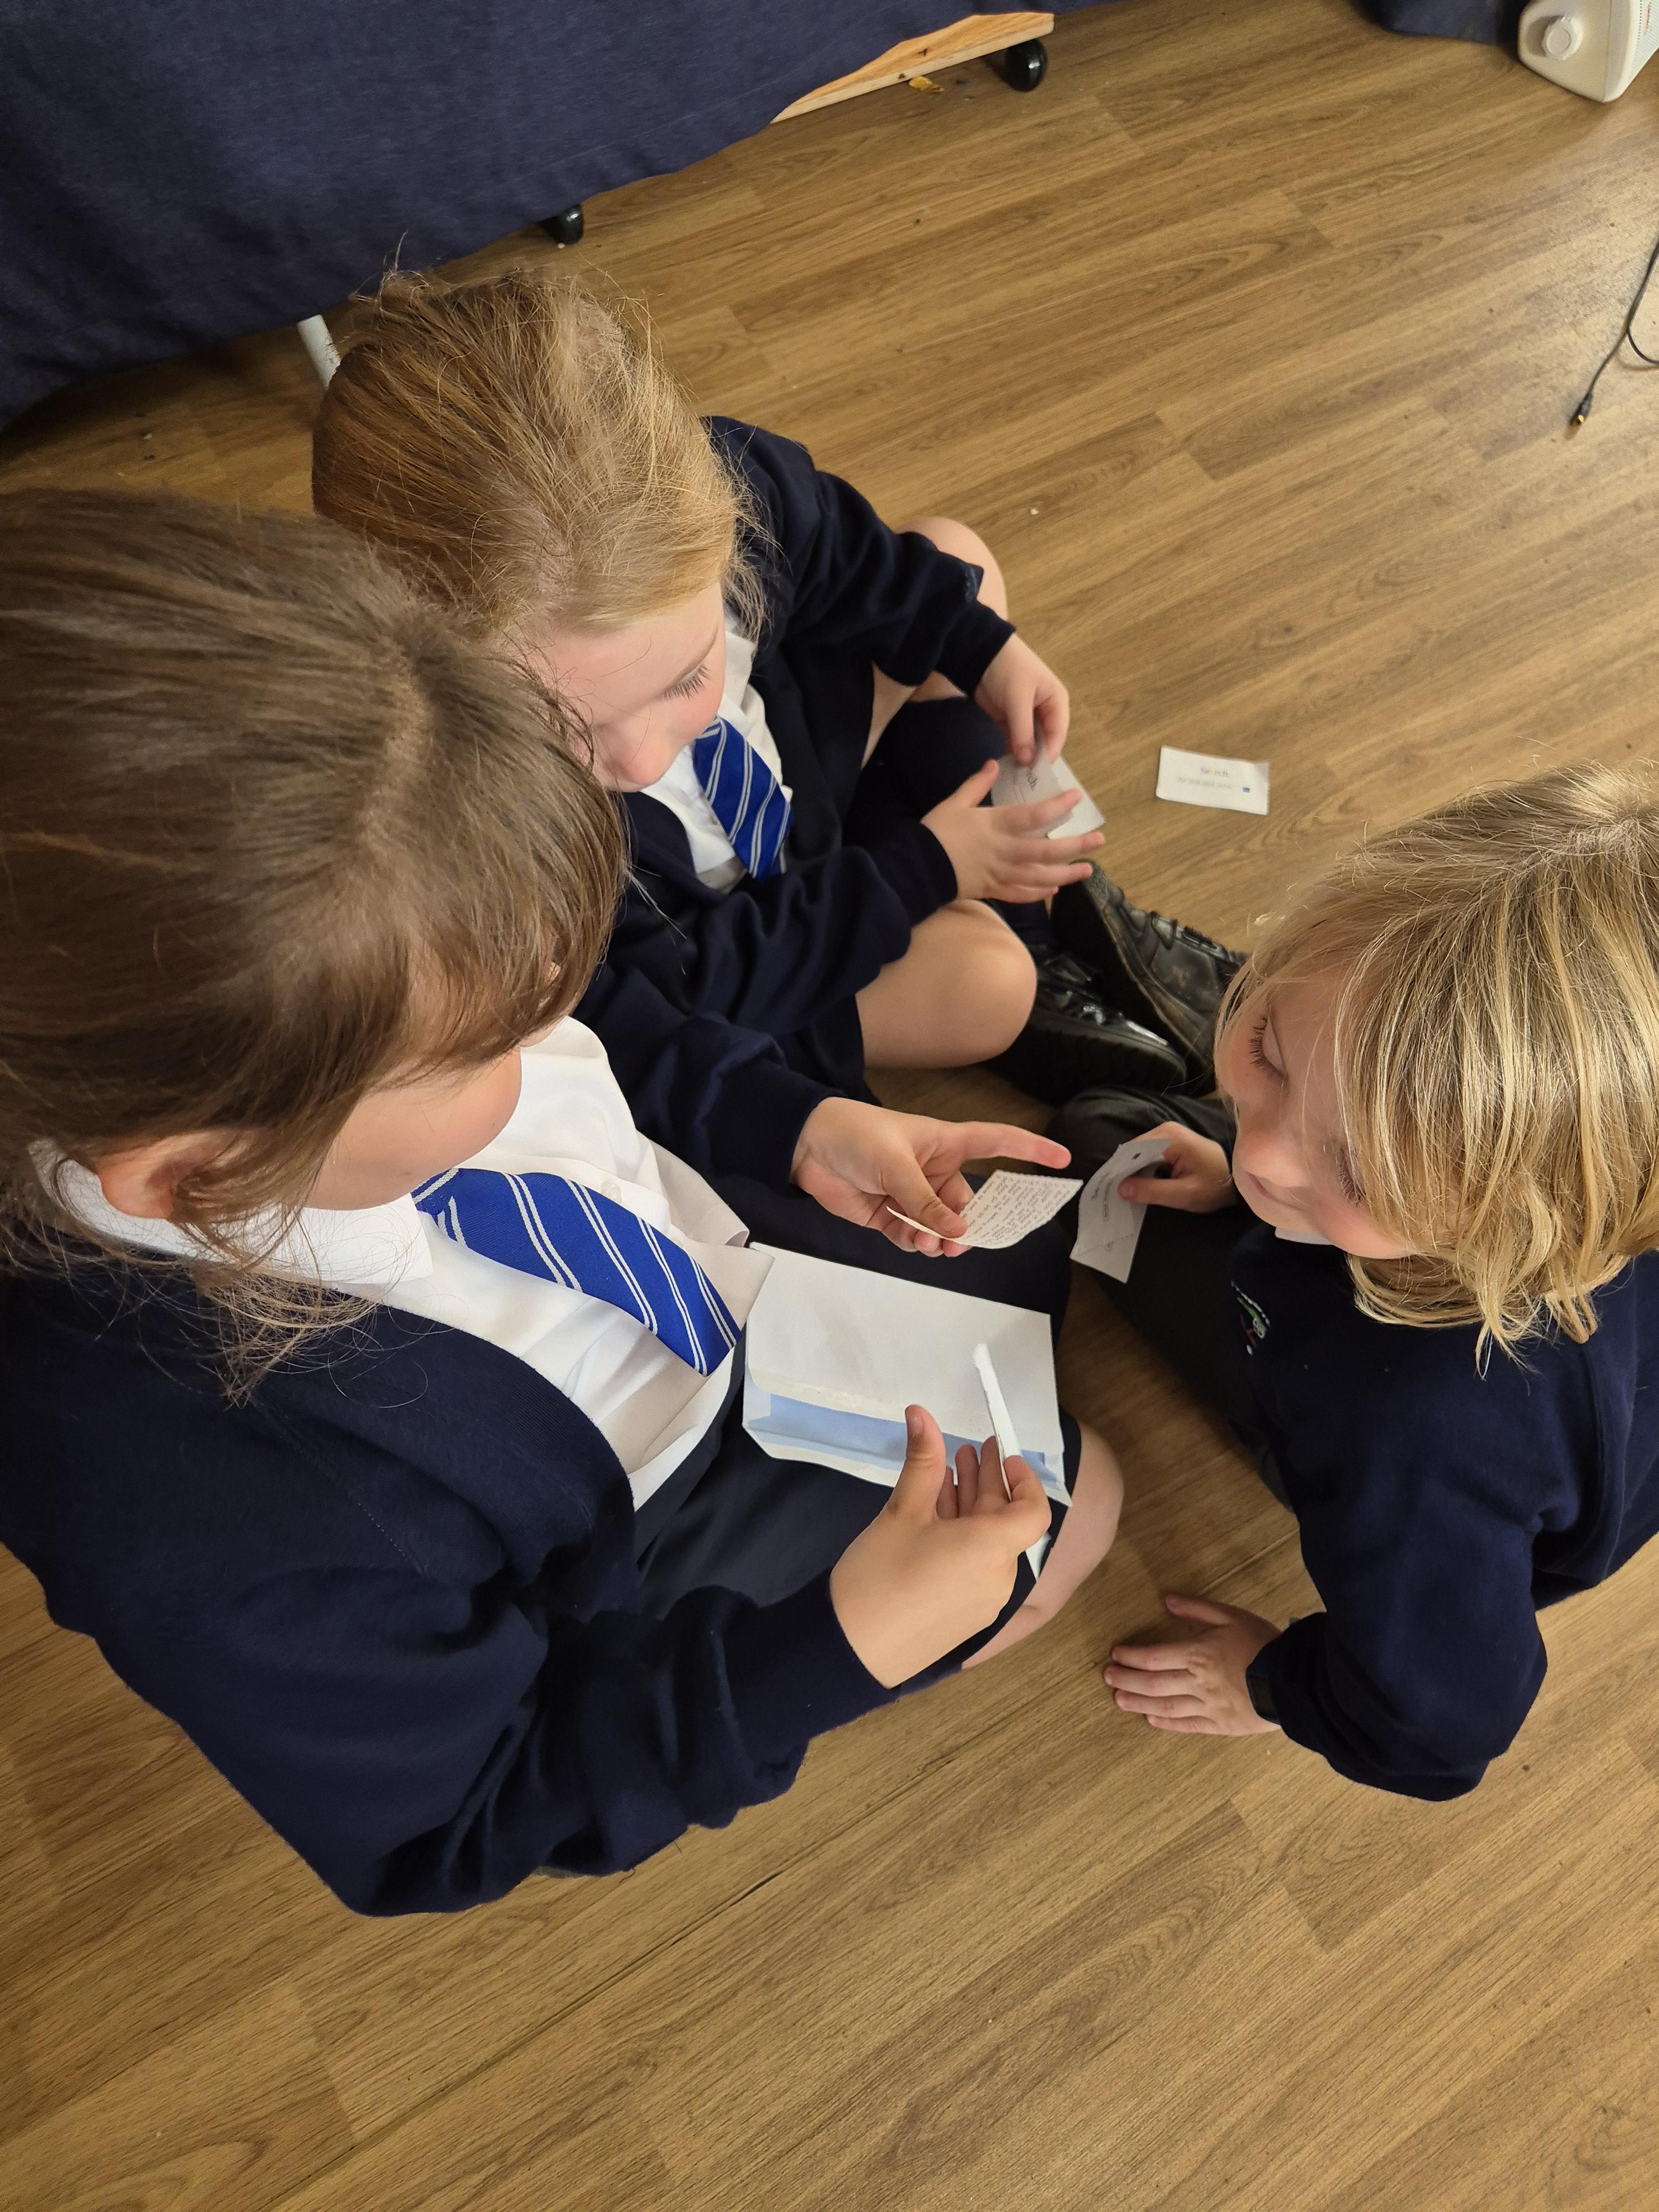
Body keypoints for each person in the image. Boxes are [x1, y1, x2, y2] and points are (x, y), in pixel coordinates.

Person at [0, 489, 1123, 1916]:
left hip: (705, 1266)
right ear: (198, 1170)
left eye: (555, 977)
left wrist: (790, 1118)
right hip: (632, 1523)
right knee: (1077, 1505)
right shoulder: (195, 1503)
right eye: (493, 1043)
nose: (557, 1028)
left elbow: (622, 1025)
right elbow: (466, 1809)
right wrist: (837, 1646)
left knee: (1039, 1328)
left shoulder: (380, 944)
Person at [309, 267, 1196, 1107]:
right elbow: (688, 987)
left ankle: (1034, 920)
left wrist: (984, 648)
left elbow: (850, 555)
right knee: (992, 986)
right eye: (559, 728)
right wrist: (921, 871)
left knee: (958, 564)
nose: (642, 762)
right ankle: (1027, 948)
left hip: (800, 801)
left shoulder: (737, 491)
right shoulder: (477, 832)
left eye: (687, 675)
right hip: (741, 951)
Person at [1051, 763, 1659, 1799]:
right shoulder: (1574, 1176)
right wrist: (1284, 1191)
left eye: (1364, 1173)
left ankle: (1197, 1025)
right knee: (1138, 1140)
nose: (1263, 1155)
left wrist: (1269, 1684)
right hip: (1568, 1416)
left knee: (1097, 1136)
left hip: (1422, 1431)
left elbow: (1443, 1730)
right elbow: (1293, 1163)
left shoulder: (1410, 1428)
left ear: (1509, 1226)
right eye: (1272, 1050)